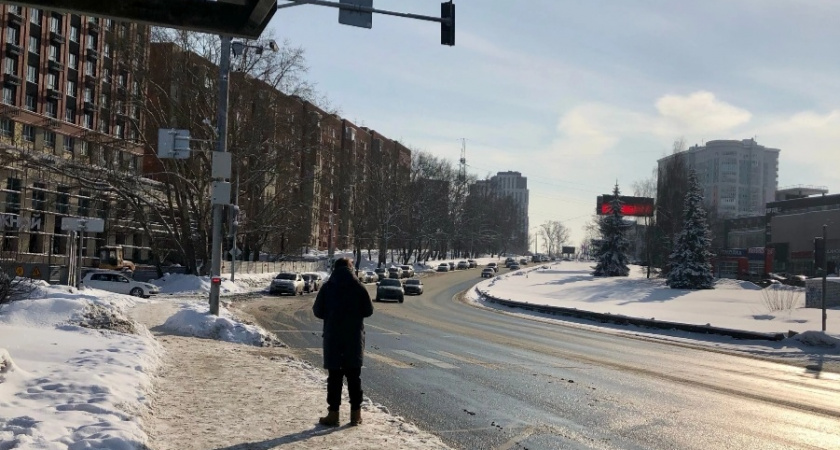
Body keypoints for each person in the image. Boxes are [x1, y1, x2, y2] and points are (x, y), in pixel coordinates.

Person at [312, 257, 374, 426]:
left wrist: (331, 315)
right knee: (354, 378)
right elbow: (368, 311)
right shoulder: (358, 287)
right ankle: (355, 415)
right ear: (350, 268)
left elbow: (317, 311)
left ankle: (333, 414)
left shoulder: (327, 287)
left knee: (334, 379)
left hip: (333, 339)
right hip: (353, 339)